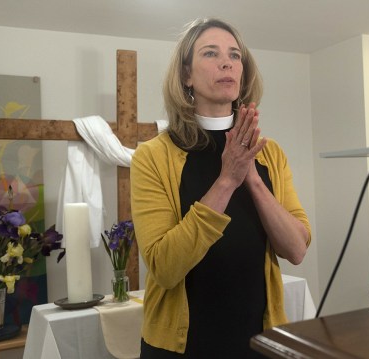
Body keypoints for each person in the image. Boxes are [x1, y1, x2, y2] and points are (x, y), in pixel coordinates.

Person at [130, 17, 312, 358]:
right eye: (210, 53)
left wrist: (252, 177)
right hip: (183, 347)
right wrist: (227, 178)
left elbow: (297, 249)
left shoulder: (269, 154)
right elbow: (164, 268)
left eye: (235, 55)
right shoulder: (152, 156)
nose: (227, 62)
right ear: (186, 75)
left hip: (259, 341)